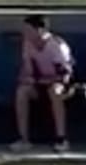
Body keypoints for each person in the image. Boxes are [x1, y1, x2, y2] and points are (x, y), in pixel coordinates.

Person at [12, 15, 76, 153]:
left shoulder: (56, 45)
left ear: (40, 30)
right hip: (39, 83)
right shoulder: (27, 44)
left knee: (55, 91)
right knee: (22, 91)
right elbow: (27, 69)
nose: (25, 33)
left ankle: (61, 139)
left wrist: (45, 81)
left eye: (28, 30)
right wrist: (26, 78)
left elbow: (65, 76)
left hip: (61, 84)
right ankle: (23, 139)